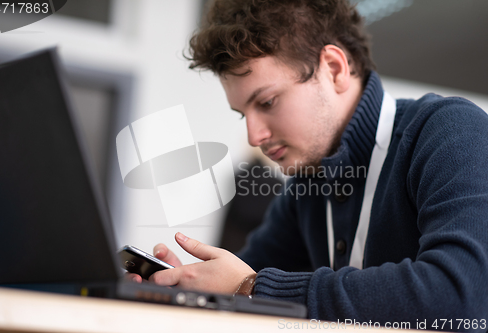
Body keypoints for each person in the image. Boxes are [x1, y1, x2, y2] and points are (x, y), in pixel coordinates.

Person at [129, 0, 488, 330]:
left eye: (267, 102)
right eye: (243, 115)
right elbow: (239, 275)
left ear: (334, 68)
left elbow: (463, 297)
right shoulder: (308, 183)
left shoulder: (450, 130)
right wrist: (189, 289)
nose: (254, 136)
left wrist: (252, 287)